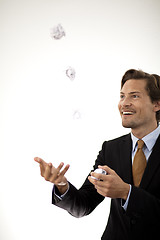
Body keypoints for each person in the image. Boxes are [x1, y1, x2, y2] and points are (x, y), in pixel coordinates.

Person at [34, 69, 160, 240]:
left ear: (157, 104)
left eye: (134, 96)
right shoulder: (111, 149)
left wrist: (126, 192)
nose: (124, 103)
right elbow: (83, 205)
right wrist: (62, 185)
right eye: (122, 96)